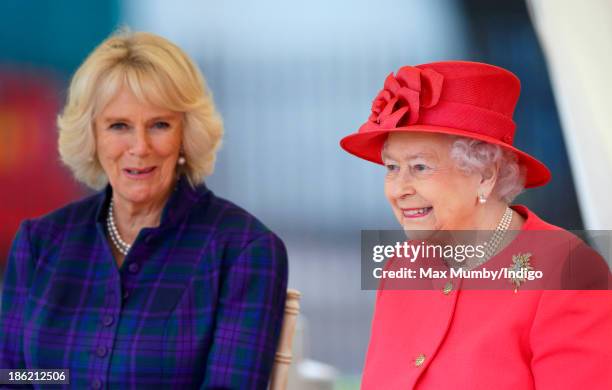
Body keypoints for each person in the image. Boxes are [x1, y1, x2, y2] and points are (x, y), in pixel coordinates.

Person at [0, 31, 288, 389]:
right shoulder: (40, 243)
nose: (139, 147)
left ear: (186, 134)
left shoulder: (244, 250)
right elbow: (16, 377)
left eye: (159, 125)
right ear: (93, 135)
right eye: (118, 125)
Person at [340, 61, 612, 389]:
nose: (399, 190)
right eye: (392, 167)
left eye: (420, 167)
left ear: (485, 174)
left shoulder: (569, 270)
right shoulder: (402, 266)